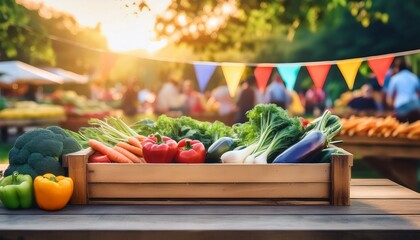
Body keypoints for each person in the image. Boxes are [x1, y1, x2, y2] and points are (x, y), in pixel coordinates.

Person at [386, 57, 420, 122]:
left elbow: (389, 99)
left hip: (401, 107)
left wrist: (392, 108)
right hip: (416, 106)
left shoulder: (395, 78)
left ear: (397, 68)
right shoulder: (414, 76)